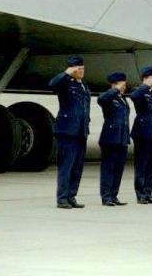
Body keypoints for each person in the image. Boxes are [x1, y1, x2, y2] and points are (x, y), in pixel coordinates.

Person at [49, 55, 91, 209]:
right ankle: (62, 198)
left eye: (82, 69)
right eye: (78, 69)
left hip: (81, 130)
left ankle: (71, 196)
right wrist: (66, 73)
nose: (81, 71)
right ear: (72, 69)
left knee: (77, 166)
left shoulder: (83, 85)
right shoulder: (65, 82)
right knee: (66, 165)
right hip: (67, 130)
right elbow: (52, 84)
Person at [131, 66, 152, 204]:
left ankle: (148, 192)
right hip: (142, 132)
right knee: (142, 164)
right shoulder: (140, 91)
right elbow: (134, 96)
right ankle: (140, 193)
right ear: (145, 78)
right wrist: (146, 86)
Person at [97, 72, 130, 207]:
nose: (124, 87)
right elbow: (101, 99)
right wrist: (115, 89)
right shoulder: (109, 97)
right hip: (110, 138)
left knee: (118, 168)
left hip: (121, 138)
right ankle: (106, 196)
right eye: (122, 84)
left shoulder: (122, 99)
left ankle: (114, 195)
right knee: (108, 168)